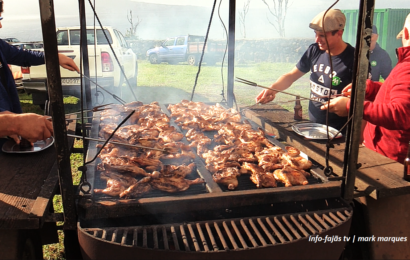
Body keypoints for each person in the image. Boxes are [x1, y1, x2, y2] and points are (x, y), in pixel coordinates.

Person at [320, 13, 410, 163]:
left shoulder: (407, 68)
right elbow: (399, 93)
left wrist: (352, 106)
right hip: (384, 152)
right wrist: (370, 87)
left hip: (388, 159)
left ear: (405, 33)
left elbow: (401, 114)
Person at [255, 9, 354, 132]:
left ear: (339, 33)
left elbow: (364, 99)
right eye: (315, 34)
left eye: (322, 35)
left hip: (340, 131)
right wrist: (273, 88)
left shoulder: (354, 59)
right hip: (313, 124)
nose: (317, 40)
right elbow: (292, 75)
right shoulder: (314, 50)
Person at [0, 0, 79, 144]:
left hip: (9, 137)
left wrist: (53, 56)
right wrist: (11, 123)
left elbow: (23, 56)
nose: (0, 25)